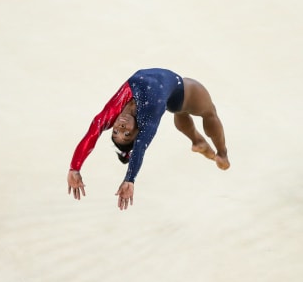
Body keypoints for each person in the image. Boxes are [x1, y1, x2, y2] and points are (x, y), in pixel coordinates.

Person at [67, 68, 230, 210]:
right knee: (209, 112)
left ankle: (197, 142)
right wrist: (129, 179)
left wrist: (74, 168)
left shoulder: (113, 111)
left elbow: (93, 133)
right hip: (183, 90)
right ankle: (222, 154)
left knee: (180, 110)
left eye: (115, 132)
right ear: (138, 132)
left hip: (171, 94)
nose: (121, 128)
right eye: (127, 134)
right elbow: (140, 147)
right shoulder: (147, 117)